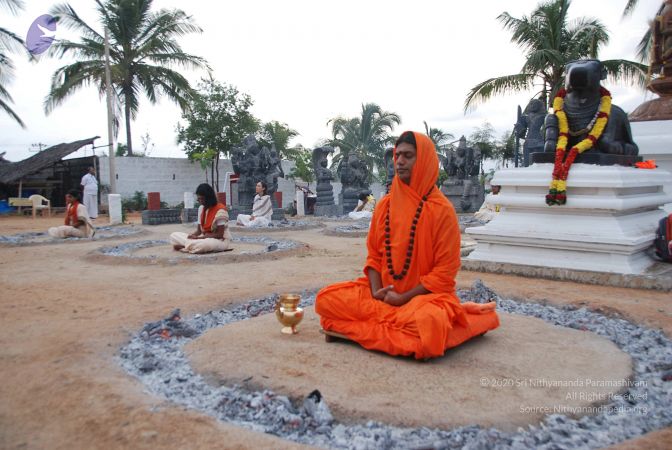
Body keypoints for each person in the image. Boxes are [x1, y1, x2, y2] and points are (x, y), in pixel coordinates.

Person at [315, 131, 500, 360]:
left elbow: (444, 274)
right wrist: (376, 292)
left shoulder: (441, 211)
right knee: (326, 299)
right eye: (397, 155)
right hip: (383, 295)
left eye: (408, 156)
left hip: (424, 299)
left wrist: (403, 298)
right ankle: (399, 331)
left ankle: (364, 328)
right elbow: (374, 256)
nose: (399, 161)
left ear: (423, 160)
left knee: (429, 322)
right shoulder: (384, 206)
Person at [169, 183, 231, 254]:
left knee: (203, 245)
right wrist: (193, 236)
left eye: (202, 199)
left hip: (219, 241)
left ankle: (186, 246)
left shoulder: (220, 210)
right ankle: (190, 246)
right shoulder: (201, 209)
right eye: (199, 199)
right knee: (173, 235)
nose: (200, 201)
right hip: (203, 238)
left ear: (209, 198)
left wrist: (200, 238)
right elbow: (199, 231)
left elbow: (219, 234)